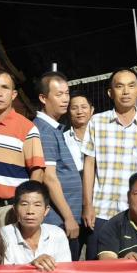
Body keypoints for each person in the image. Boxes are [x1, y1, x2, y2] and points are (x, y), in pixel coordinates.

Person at [82, 69, 137, 260]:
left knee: (134, 270)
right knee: (98, 269)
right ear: (110, 93)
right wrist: (88, 205)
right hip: (101, 212)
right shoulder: (97, 122)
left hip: (136, 214)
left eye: (131, 86)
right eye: (119, 86)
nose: (126, 91)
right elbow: (89, 165)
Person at [0, 69, 45, 218]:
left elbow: (38, 171)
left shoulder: (27, 128)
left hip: (11, 210)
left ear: (13, 94)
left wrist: (26, 205)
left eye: (5, 87)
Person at [31, 72, 83, 259]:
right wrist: (69, 218)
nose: (65, 99)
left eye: (67, 93)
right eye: (59, 94)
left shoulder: (54, 128)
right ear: (43, 98)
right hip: (57, 222)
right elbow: (49, 177)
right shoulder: (44, 130)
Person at [62, 94, 93, 178]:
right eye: (74, 108)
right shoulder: (62, 139)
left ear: (92, 110)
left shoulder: (100, 136)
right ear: (68, 112)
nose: (79, 112)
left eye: (84, 107)